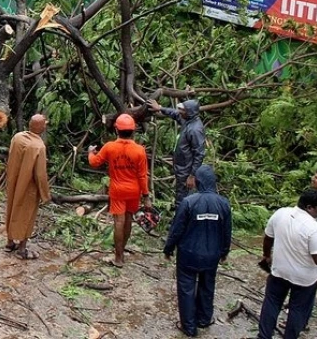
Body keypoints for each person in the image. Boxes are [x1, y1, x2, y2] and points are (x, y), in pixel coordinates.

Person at [257, 189, 317, 339]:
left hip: (279, 271)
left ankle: (263, 335)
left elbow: (268, 238)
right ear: (309, 207)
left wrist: (267, 256)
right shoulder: (314, 229)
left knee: (271, 303)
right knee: (298, 310)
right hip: (304, 279)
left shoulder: (281, 213)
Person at [164, 165, 232, 337]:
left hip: (189, 254)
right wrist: (224, 251)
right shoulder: (223, 204)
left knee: (186, 287)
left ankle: (189, 326)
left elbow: (177, 229)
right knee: (207, 285)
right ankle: (203, 319)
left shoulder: (189, 202)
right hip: (212, 255)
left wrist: (169, 248)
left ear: (198, 181)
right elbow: (227, 231)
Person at [88, 114, 151, 267]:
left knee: (118, 222)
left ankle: (118, 258)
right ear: (133, 131)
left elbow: (94, 163)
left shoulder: (110, 147)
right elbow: (143, 176)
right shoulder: (139, 151)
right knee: (128, 220)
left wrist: (90, 152)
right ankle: (121, 250)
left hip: (117, 189)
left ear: (116, 129)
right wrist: (146, 196)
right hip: (134, 191)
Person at [4, 114, 51, 261]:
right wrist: (45, 194)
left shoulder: (17, 137)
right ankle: (22, 249)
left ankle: (10, 242)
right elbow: (40, 174)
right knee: (27, 215)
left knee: (12, 209)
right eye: (45, 124)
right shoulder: (39, 146)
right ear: (42, 127)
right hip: (28, 186)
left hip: (13, 181)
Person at [149, 99, 206, 207]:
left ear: (189, 112)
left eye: (182, 110)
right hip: (182, 168)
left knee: (185, 198)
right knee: (181, 195)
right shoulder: (187, 120)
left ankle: (182, 220)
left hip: (187, 170)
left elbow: (199, 154)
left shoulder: (195, 130)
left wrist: (192, 175)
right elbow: (174, 113)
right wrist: (160, 108)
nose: (179, 111)